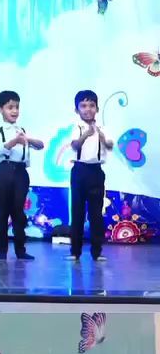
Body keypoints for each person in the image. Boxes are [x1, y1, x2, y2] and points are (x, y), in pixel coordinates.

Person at [0, 90, 44, 261]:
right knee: (3, 211)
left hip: (21, 172)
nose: (14, 111)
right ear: (0, 109)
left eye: (17, 107)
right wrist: (15, 141)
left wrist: (28, 139)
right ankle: (1, 250)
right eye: (10, 107)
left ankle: (20, 250)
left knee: (18, 212)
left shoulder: (22, 130)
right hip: (4, 170)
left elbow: (40, 145)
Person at [70, 89, 113, 261]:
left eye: (91, 105)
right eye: (83, 106)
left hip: (96, 171)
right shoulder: (77, 127)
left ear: (97, 108)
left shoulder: (103, 128)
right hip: (80, 171)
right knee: (77, 212)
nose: (88, 109)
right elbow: (74, 145)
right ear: (77, 110)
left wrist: (102, 137)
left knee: (96, 213)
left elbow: (110, 145)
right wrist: (85, 135)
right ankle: (75, 252)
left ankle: (97, 251)